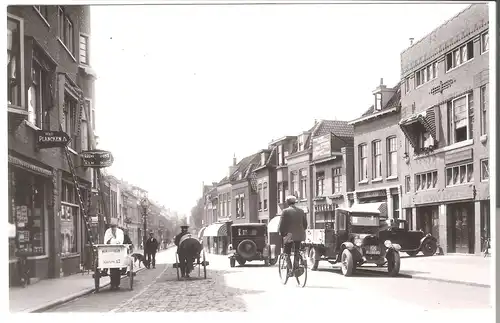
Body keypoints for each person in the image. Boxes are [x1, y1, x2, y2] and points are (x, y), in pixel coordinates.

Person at [279, 195, 308, 277]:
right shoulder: (301, 211)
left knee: (286, 252)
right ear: (294, 202)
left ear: (287, 202)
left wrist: (282, 233)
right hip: (300, 235)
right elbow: (305, 225)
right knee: (296, 251)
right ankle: (296, 267)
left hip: (290, 236)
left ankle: (291, 269)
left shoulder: (285, 211)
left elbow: (281, 224)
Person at [103, 218, 124, 290]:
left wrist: (112, 241)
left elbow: (120, 241)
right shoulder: (108, 232)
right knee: (112, 269)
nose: (113, 228)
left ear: (117, 226)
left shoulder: (120, 232)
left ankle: (117, 284)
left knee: (117, 269)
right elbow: (106, 241)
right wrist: (113, 241)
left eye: (114, 226)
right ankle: (112, 284)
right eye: (112, 226)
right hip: (110, 252)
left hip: (118, 252)